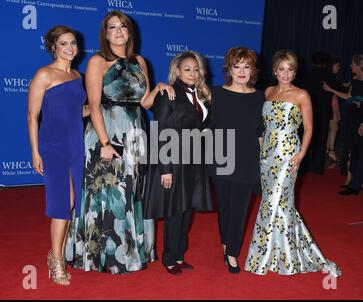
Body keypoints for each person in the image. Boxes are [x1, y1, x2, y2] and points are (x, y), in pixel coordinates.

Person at [65, 11, 174, 275]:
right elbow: (93, 105)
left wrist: (160, 87)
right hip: (105, 131)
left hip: (135, 131)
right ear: (105, 33)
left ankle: (129, 252)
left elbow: (144, 102)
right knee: (105, 193)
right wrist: (104, 142)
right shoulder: (97, 62)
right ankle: (100, 254)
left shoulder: (140, 61)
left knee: (132, 191)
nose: (118, 31)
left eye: (122, 26)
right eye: (112, 27)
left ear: (129, 31)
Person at [245, 50, 341, 277]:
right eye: (282, 69)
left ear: (295, 72)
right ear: (275, 70)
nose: (286, 74)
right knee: (279, 204)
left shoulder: (302, 95)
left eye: (290, 70)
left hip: (288, 154)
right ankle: (281, 252)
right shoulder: (268, 92)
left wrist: (301, 154)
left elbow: (309, 129)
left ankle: (262, 257)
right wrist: (260, 146)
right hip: (267, 155)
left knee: (273, 202)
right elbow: (263, 125)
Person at [143, 51, 213, 275]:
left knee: (187, 210)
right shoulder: (169, 94)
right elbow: (162, 131)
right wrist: (165, 169)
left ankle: (180, 254)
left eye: (195, 69)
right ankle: (169, 258)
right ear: (177, 72)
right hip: (174, 162)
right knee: (175, 211)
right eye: (187, 69)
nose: (192, 73)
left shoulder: (202, 97)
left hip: (195, 163)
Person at [28, 26, 88, 285]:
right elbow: (32, 116)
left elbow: (78, 112)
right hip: (53, 145)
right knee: (63, 204)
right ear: (53, 46)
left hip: (76, 143)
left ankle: (57, 254)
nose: (69, 48)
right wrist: (35, 151)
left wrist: (101, 109)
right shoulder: (44, 74)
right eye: (63, 43)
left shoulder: (77, 75)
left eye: (73, 43)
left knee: (73, 204)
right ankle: (57, 261)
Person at [209, 47, 265, 274]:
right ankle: (225, 242)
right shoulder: (216, 94)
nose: (241, 71)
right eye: (237, 66)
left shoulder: (260, 96)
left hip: (248, 159)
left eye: (246, 66)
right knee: (224, 206)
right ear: (229, 69)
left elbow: (261, 132)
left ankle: (232, 252)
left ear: (253, 70)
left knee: (240, 208)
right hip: (221, 157)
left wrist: (264, 162)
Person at [323, 54, 363, 195]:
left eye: (353, 64)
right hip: (352, 116)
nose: (351, 66)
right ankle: (349, 180)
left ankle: (357, 182)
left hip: (361, 117)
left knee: (358, 149)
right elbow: (349, 97)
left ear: (359, 66)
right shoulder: (354, 80)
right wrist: (331, 90)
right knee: (350, 147)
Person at [304, 52, 346, 174]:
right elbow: (341, 89)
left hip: (308, 109)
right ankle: (317, 168)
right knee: (321, 139)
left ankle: (305, 167)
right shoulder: (327, 75)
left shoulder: (307, 74)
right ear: (325, 63)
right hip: (323, 110)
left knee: (307, 137)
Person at [326, 57, 342, 162]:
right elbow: (338, 88)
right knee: (334, 126)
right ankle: (330, 150)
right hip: (331, 103)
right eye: (337, 66)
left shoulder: (331, 77)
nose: (339, 68)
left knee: (332, 127)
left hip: (333, 102)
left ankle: (328, 150)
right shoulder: (330, 77)